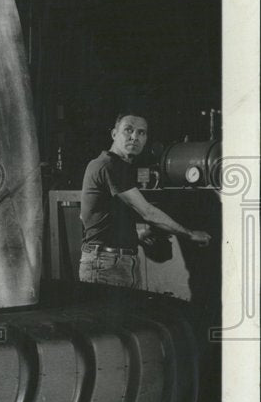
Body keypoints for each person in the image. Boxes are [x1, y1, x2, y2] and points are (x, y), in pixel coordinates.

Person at [79, 112, 211, 288]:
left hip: (117, 260)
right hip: (107, 263)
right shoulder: (110, 165)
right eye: (128, 130)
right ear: (114, 134)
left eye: (141, 132)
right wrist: (190, 234)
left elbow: (90, 216)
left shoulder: (116, 166)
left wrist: (135, 236)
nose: (135, 137)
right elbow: (147, 212)